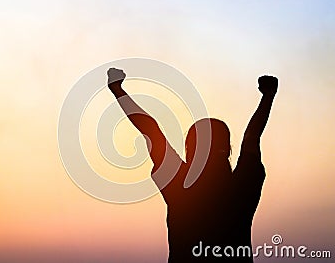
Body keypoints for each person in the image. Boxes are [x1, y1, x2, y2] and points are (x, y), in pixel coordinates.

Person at [107, 68, 278, 262]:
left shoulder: (179, 185)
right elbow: (252, 138)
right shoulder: (243, 186)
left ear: (189, 151)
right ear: (228, 151)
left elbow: (151, 130)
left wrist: (117, 90)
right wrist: (268, 96)